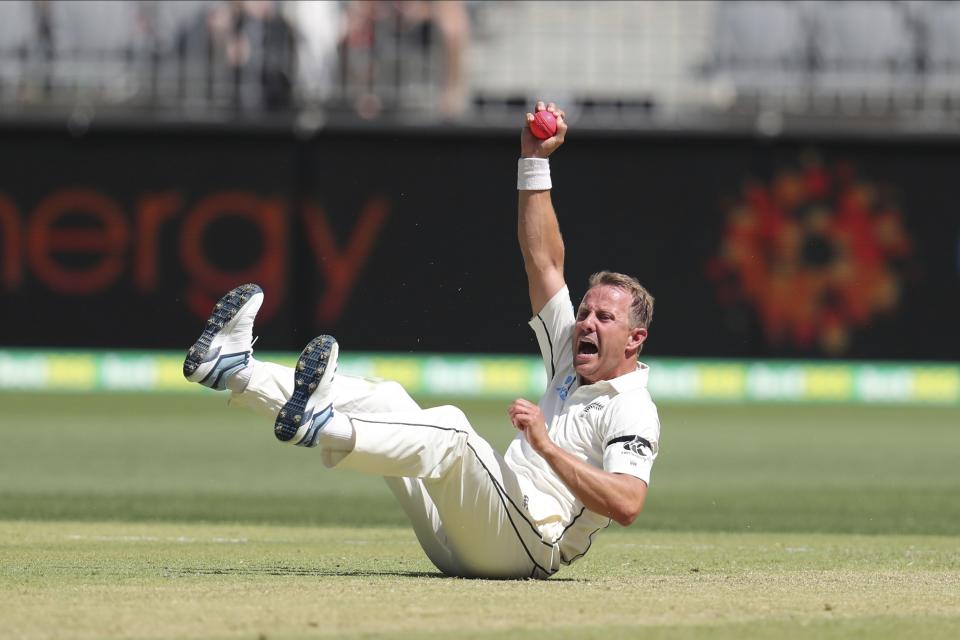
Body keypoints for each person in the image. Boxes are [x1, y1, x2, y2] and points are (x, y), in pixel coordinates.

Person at [182, 102, 660, 579]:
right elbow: (543, 261)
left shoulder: (632, 407)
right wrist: (534, 159)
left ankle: (323, 427)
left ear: (635, 339)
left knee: (453, 431)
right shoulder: (569, 357)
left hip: (529, 547)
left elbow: (628, 503)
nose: (585, 323)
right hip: (469, 532)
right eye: (583, 313)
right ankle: (234, 369)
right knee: (389, 398)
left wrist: (546, 445)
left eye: (604, 317)